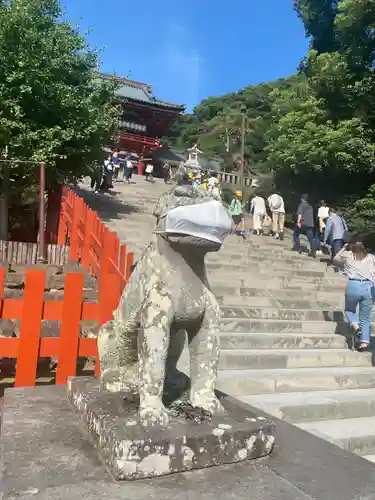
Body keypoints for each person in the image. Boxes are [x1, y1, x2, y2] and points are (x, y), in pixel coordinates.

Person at [334, 236, 375, 352]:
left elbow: (335, 258)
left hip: (353, 285)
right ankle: (364, 343)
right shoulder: (372, 258)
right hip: (369, 287)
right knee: (366, 317)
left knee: (349, 310)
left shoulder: (348, 256)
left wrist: (343, 248)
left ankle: (356, 326)